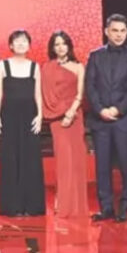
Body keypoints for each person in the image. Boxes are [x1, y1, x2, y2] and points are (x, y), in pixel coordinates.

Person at [84, 14, 127, 223]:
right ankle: (106, 208)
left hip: (124, 120)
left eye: (122, 31)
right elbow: (90, 86)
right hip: (100, 120)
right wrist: (100, 110)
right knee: (103, 167)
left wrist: (118, 109)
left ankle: (124, 207)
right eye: (115, 30)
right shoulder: (95, 55)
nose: (119, 35)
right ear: (106, 31)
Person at [0, 30, 45, 216]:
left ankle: (31, 205)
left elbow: (38, 94)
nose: (21, 44)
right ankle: (11, 205)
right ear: (11, 45)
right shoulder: (3, 65)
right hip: (8, 116)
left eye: (24, 41)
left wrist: (40, 116)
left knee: (30, 159)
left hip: (30, 117)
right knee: (10, 158)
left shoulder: (34, 67)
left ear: (29, 45)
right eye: (17, 41)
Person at [41, 30, 88, 219]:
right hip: (57, 119)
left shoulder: (78, 67)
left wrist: (70, 112)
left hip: (75, 116)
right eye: (56, 44)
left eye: (63, 43)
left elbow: (80, 93)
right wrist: (61, 113)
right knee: (63, 161)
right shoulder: (47, 68)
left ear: (69, 45)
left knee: (77, 160)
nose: (60, 47)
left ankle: (76, 204)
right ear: (52, 48)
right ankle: (62, 202)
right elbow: (45, 94)